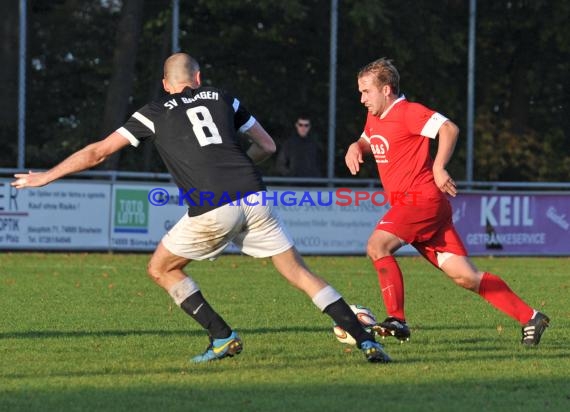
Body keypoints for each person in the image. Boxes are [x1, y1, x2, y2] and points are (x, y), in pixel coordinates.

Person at [12, 52, 391, 363]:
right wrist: (238, 165)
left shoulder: (153, 112)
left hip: (213, 206)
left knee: (161, 268)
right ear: (198, 78)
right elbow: (268, 146)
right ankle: (366, 341)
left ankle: (221, 336)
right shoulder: (223, 98)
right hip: (254, 196)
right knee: (299, 273)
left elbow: (97, 152)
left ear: (166, 84)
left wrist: (46, 177)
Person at [344, 57, 550, 346]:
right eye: (360, 92)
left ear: (387, 89)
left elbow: (449, 129)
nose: (362, 98)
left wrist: (439, 167)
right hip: (422, 207)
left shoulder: (408, 112)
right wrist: (356, 146)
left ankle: (396, 319)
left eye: (366, 91)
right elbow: (369, 138)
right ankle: (531, 316)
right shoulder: (376, 115)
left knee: (377, 246)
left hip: (421, 200)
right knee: (465, 276)